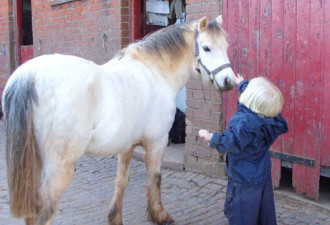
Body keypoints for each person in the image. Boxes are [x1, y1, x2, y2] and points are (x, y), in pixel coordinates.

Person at [198, 74, 288, 225]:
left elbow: (230, 142)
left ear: (250, 99)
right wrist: (243, 85)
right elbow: (262, 103)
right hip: (261, 173)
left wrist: (210, 137)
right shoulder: (271, 118)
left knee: (240, 213)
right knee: (263, 209)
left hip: (244, 176)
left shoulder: (244, 122)